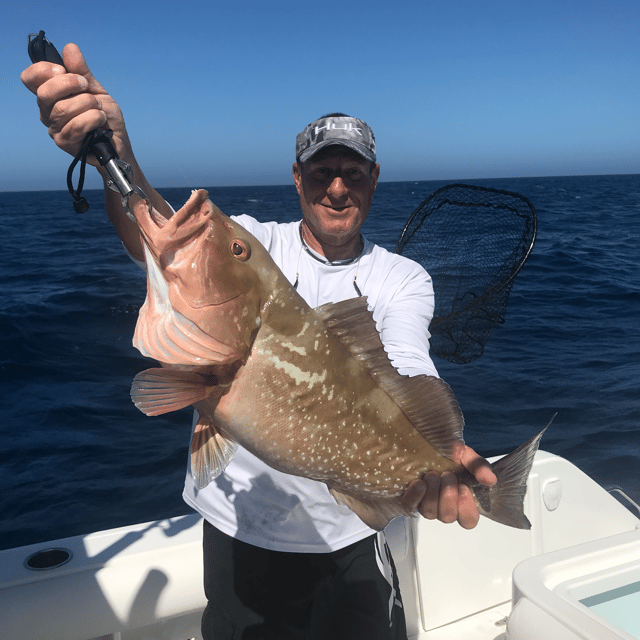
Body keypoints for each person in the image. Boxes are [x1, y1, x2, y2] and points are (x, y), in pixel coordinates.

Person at [22, 44, 497, 640]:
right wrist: (115, 155)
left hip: (353, 538)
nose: (337, 188)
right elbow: (159, 239)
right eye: (323, 172)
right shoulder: (249, 238)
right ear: (297, 178)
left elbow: (405, 361)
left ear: (374, 179)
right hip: (237, 533)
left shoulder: (401, 277)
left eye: (352, 173)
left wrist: (437, 452)